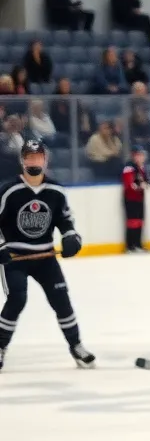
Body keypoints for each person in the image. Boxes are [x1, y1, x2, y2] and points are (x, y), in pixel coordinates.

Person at [0, 139, 94, 370]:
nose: (34, 161)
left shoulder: (55, 190)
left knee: (61, 300)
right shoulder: (9, 191)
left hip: (45, 258)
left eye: (38, 157)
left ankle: (76, 345)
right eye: (29, 157)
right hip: (14, 258)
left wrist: (71, 236)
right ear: (22, 160)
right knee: (17, 299)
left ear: (45, 159)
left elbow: (65, 219)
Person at [121, 144, 150, 252]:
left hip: (139, 198)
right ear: (134, 156)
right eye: (139, 155)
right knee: (132, 222)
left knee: (139, 221)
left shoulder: (141, 168)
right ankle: (130, 246)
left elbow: (146, 181)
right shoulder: (129, 168)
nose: (141, 158)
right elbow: (129, 185)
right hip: (131, 199)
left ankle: (138, 244)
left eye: (142, 155)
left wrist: (145, 184)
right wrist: (139, 187)